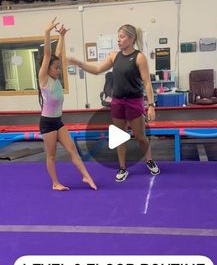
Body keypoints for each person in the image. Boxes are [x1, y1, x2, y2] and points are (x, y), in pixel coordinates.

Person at [68, 23, 160, 182]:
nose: (119, 40)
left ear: (131, 39)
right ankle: (122, 168)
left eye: (122, 37)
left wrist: (151, 106)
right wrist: (78, 63)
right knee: (119, 136)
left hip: (134, 101)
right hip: (117, 102)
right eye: (118, 37)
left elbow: (147, 83)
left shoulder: (139, 57)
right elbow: (97, 70)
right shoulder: (113, 56)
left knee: (139, 136)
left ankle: (149, 160)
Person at [38, 18, 97, 191]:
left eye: (59, 67)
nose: (59, 70)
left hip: (58, 121)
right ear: (47, 68)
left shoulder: (55, 78)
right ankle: (55, 183)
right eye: (56, 68)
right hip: (47, 123)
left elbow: (57, 54)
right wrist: (47, 33)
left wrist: (62, 37)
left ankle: (87, 177)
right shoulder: (44, 79)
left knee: (72, 150)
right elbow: (49, 55)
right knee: (51, 155)